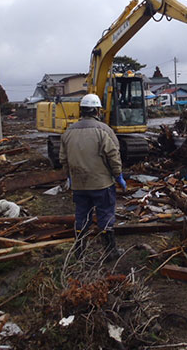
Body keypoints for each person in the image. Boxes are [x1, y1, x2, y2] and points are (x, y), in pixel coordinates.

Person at [59, 93, 127, 260]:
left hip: (79, 185)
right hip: (101, 184)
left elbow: (63, 158)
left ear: (81, 110)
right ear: (98, 111)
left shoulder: (68, 132)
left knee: (82, 216)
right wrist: (118, 176)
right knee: (105, 215)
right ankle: (110, 252)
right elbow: (113, 155)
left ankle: (79, 252)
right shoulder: (104, 130)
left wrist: (69, 176)